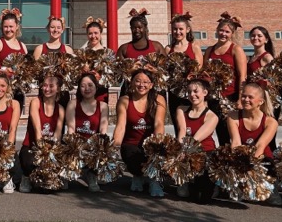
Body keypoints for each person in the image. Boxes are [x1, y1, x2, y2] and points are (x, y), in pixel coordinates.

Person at [113, 69, 167, 197]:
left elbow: (159, 123)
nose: (141, 85)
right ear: (131, 83)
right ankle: (137, 175)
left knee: (163, 151)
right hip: (132, 143)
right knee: (133, 158)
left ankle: (154, 179)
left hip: (151, 143)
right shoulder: (124, 100)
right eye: (137, 81)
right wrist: (114, 147)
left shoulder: (159, 99)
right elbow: (120, 126)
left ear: (151, 85)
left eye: (145, 82)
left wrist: (156, 144)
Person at [227, 82, 282, 206]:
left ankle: (271, 188)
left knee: (273, 201)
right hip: (241, 159)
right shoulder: (233, 117)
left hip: (261, 160)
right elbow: (235, 143)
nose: (246, 100)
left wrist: (251, 170)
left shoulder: (270, 122)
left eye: (250, 97)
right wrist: (239, 168)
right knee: (236, 196)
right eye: (244, 96)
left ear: (261, 101)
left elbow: (260, 146)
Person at [203, 12, 247, 145]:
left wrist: (240, 98)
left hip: (231, 98)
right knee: (220, 133)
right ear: (217, 31)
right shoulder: (210, 50)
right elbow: (204, 73)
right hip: (214, 99)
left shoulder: (236, 50)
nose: (223, 34)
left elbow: (242, 76)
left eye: (227, 32)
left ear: (232, 34)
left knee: (233, 133)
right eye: (221, 30)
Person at [18, 74, 65, 193]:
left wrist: (53, 158)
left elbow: (57, 136)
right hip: (33, 147)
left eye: (51, 86)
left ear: (58, 88)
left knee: (47, 189)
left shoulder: (60, 109)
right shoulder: (35, 102)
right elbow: (38, 130)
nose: (47, 89)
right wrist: (43, 158)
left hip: (50, 149)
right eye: (44, 85)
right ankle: (26, 177)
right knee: (29, 162)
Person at [175, 76, 218, 203]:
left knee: (202, 198)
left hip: (205, 152)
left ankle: (212, 182)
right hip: (186, 151)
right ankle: (184, 180)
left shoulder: (212, 116)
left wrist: (184, 152)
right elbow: (182, 130)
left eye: (195, 91)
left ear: (205, 93)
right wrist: (178, 151)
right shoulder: (181, 110)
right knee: (186, 195)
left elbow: (196, 139)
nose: (192, 95)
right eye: (189, 92)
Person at [66, 73, 109, 192]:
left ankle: (92, 174)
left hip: (93, 144)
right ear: (79, 88)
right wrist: (74, 147)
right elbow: (71, 129)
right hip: (77, 142)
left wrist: (98, 146)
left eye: (90, 85)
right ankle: (68, 173)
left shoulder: (103, 106)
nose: (87, 89)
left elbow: (103, 131)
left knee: (103, 144)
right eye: (83, 86)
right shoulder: (73, 104)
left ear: (96, 87)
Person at [166, 13, 203, 135]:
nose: (178, 32)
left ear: (187, 30)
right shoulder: (168, 49)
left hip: (191, 93)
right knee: (178, 125)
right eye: (175, 29)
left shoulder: (194, 47)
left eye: (181, 29)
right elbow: (165, 71)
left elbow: (199, 69)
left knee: (193, 123)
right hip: (174, 93)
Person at [0, 8, 27, 110]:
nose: (8, 30)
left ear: (17, 27)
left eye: (11, 26)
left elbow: (27, 70)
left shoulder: (23, 46)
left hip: (17, 92)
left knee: (14, 123)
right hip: (0, 91)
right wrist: (3, 71)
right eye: (5, 27)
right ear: (1, 27)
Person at [79, 16, 113, 103]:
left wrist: (100, 77)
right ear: (87, 35)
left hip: (100, 94)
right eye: (90, 33)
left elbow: (112, 77)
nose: (93, 36)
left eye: (96, 33)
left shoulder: (108, 53)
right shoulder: (81, 53)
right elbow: (74, 75)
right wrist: (82, 71)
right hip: (83, 93)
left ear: (101, 34)